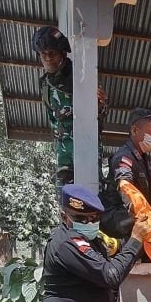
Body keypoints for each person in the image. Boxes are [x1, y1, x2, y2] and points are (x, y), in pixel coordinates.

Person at [32, 25, 107, 184]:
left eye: (52, 53)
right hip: (64, 155)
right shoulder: (45, 84)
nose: (47, 58)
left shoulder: (82, 76)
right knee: (66, 201)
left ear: (62, 53)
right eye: (43, 54)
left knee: (91, 199)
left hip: (87, 150)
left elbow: (100, 113)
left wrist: (99, 106)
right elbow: (52, 119)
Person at [99, 107, 151, 238]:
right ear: (134, 130)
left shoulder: (143, 159)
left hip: (133, 214)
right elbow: (125, 187)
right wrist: (146, 214)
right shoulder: (124, 157)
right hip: (118, 218)